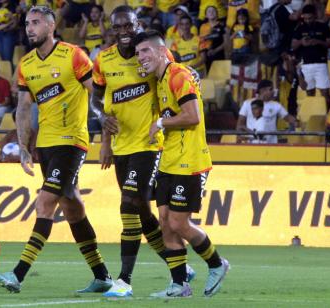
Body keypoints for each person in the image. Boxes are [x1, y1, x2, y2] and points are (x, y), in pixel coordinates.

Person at [0, 5, 112, 294]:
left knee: (45, 202)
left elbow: (95, 94)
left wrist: (104, 125)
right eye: (27, 23)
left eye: (35, 22)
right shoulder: (27, 64)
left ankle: (18, 274)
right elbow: (22, 107)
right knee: (72, 208)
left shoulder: (73, 55)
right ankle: (102, 275)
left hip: (72, 141)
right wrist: (22, 146)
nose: (29, 28)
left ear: (50, 26)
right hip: (45, 144)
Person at [89, 6, 195, 298]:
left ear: (137, 25)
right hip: (121, 145)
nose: (123, 32)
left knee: (127, 204)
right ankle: (180, 269)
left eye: (128, 26)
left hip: (149, 144)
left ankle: (124, 280)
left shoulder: (153, 54)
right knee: (143, 213)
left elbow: (177, 78)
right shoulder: (103, 59)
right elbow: (97, 99)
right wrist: (103, 129)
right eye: (117, 28)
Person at [134, 30, 229, 298]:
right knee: (165, 222)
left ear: (163, 51)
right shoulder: (161, 78)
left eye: (145, 51)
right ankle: (179, 285)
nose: (140, 57)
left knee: (178, 223)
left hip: (190, 160)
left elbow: (193, 117)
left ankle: (216, 264)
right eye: (138, 53)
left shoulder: (178, 75)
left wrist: (162, 122)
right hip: (169, 159)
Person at [292, 4, 330, 110]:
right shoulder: (300, 28)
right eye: (305, 18)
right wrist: (301, 42)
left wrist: (318, 41)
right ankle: (312, 115)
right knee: (309, 93)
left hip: (321, 63)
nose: (307, 20)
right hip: (306, 64)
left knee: (325, 93)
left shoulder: (323, 27)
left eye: (310, 18)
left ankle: (327, 116)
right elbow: (293, 45)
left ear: (315, 15)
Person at [237, 79, 296, 144]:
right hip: (252, 144)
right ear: (263, 90)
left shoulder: (276, 105)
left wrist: (297, 123)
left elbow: (290, 119)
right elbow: (240, 123)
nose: (273, 92)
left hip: (271, 145)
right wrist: (239, 136)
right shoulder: (247, 104)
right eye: (271, 89)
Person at [199, 6, 226, 71]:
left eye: (213, 11)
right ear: (206, 15)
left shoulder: (222, 26)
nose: (211, 12)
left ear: (217, 14)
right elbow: (201, 41)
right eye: (209, 11)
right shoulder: (203, 27)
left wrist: (215, 50)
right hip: (207, 55)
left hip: (219, 54)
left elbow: (226, 42)